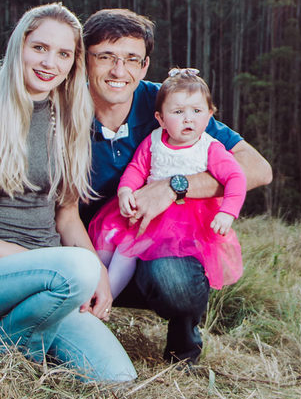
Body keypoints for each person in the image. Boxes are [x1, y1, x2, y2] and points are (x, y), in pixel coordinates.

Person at [0, 8, 273, 364]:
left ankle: (181, 341)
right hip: (74, 257)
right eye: (105, 57)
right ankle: (12, 346)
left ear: (144, 65)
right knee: (78, 275)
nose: (118, 71)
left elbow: (258, 169)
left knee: (160, 307)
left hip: (138, 247)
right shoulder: (66, 111)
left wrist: (174, 185)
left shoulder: (168, 105)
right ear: (85, 61)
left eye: (131, 60)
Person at [0, 3, 136, 383]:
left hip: (55, 282)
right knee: (76, 269)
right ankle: (5, 356)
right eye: (39, 47)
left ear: (73, 64)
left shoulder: (71, 122)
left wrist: (98, 274)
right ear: (18, 46)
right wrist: (43, 266)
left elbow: (66, 216)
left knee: (116, 377)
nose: (49, 62)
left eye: (63, 53)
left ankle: (7, 343)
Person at [89, 67, 246, 297]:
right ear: (160, 119)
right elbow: (136, 168)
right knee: (109, 240)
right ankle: (90, 287)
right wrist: (125, 191)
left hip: (185, 221)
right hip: (145, 212)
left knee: (127, 251)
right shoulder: (154, 141)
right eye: (178, 112)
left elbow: (235, 177)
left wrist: (227, 212)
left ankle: (105, 298)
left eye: (196, 111)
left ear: (210, 114)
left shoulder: (209, 147)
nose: (188, 118)